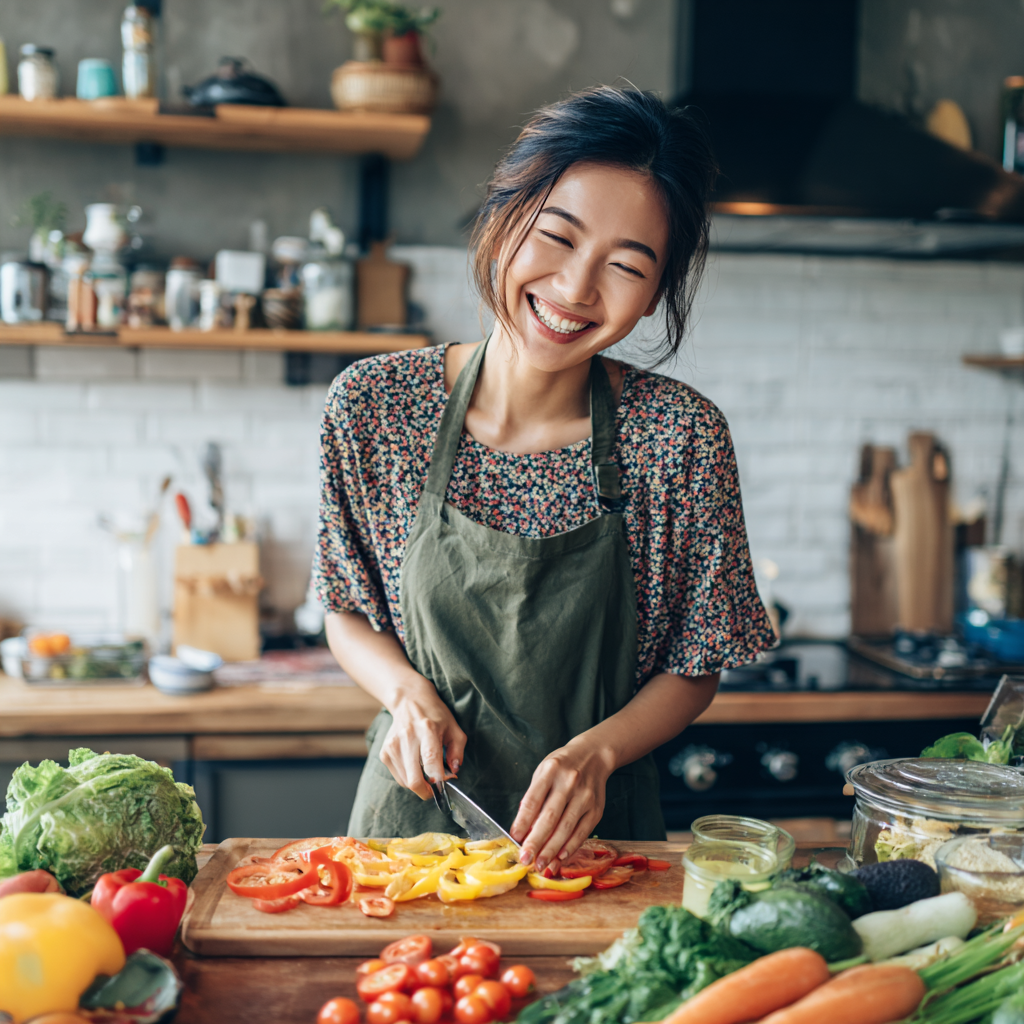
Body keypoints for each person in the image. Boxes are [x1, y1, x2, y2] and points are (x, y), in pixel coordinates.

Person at [314, 86, 775, 874]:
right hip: (409, 839)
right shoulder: (374, 406)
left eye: (626, 267)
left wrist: (598, 753)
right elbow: (347, 611)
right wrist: (404, 694)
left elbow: (696, 665)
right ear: (503, 218)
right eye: (557, 238)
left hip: (597, 846)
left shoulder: (679, 436)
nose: (574, 289)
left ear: (656, 292)